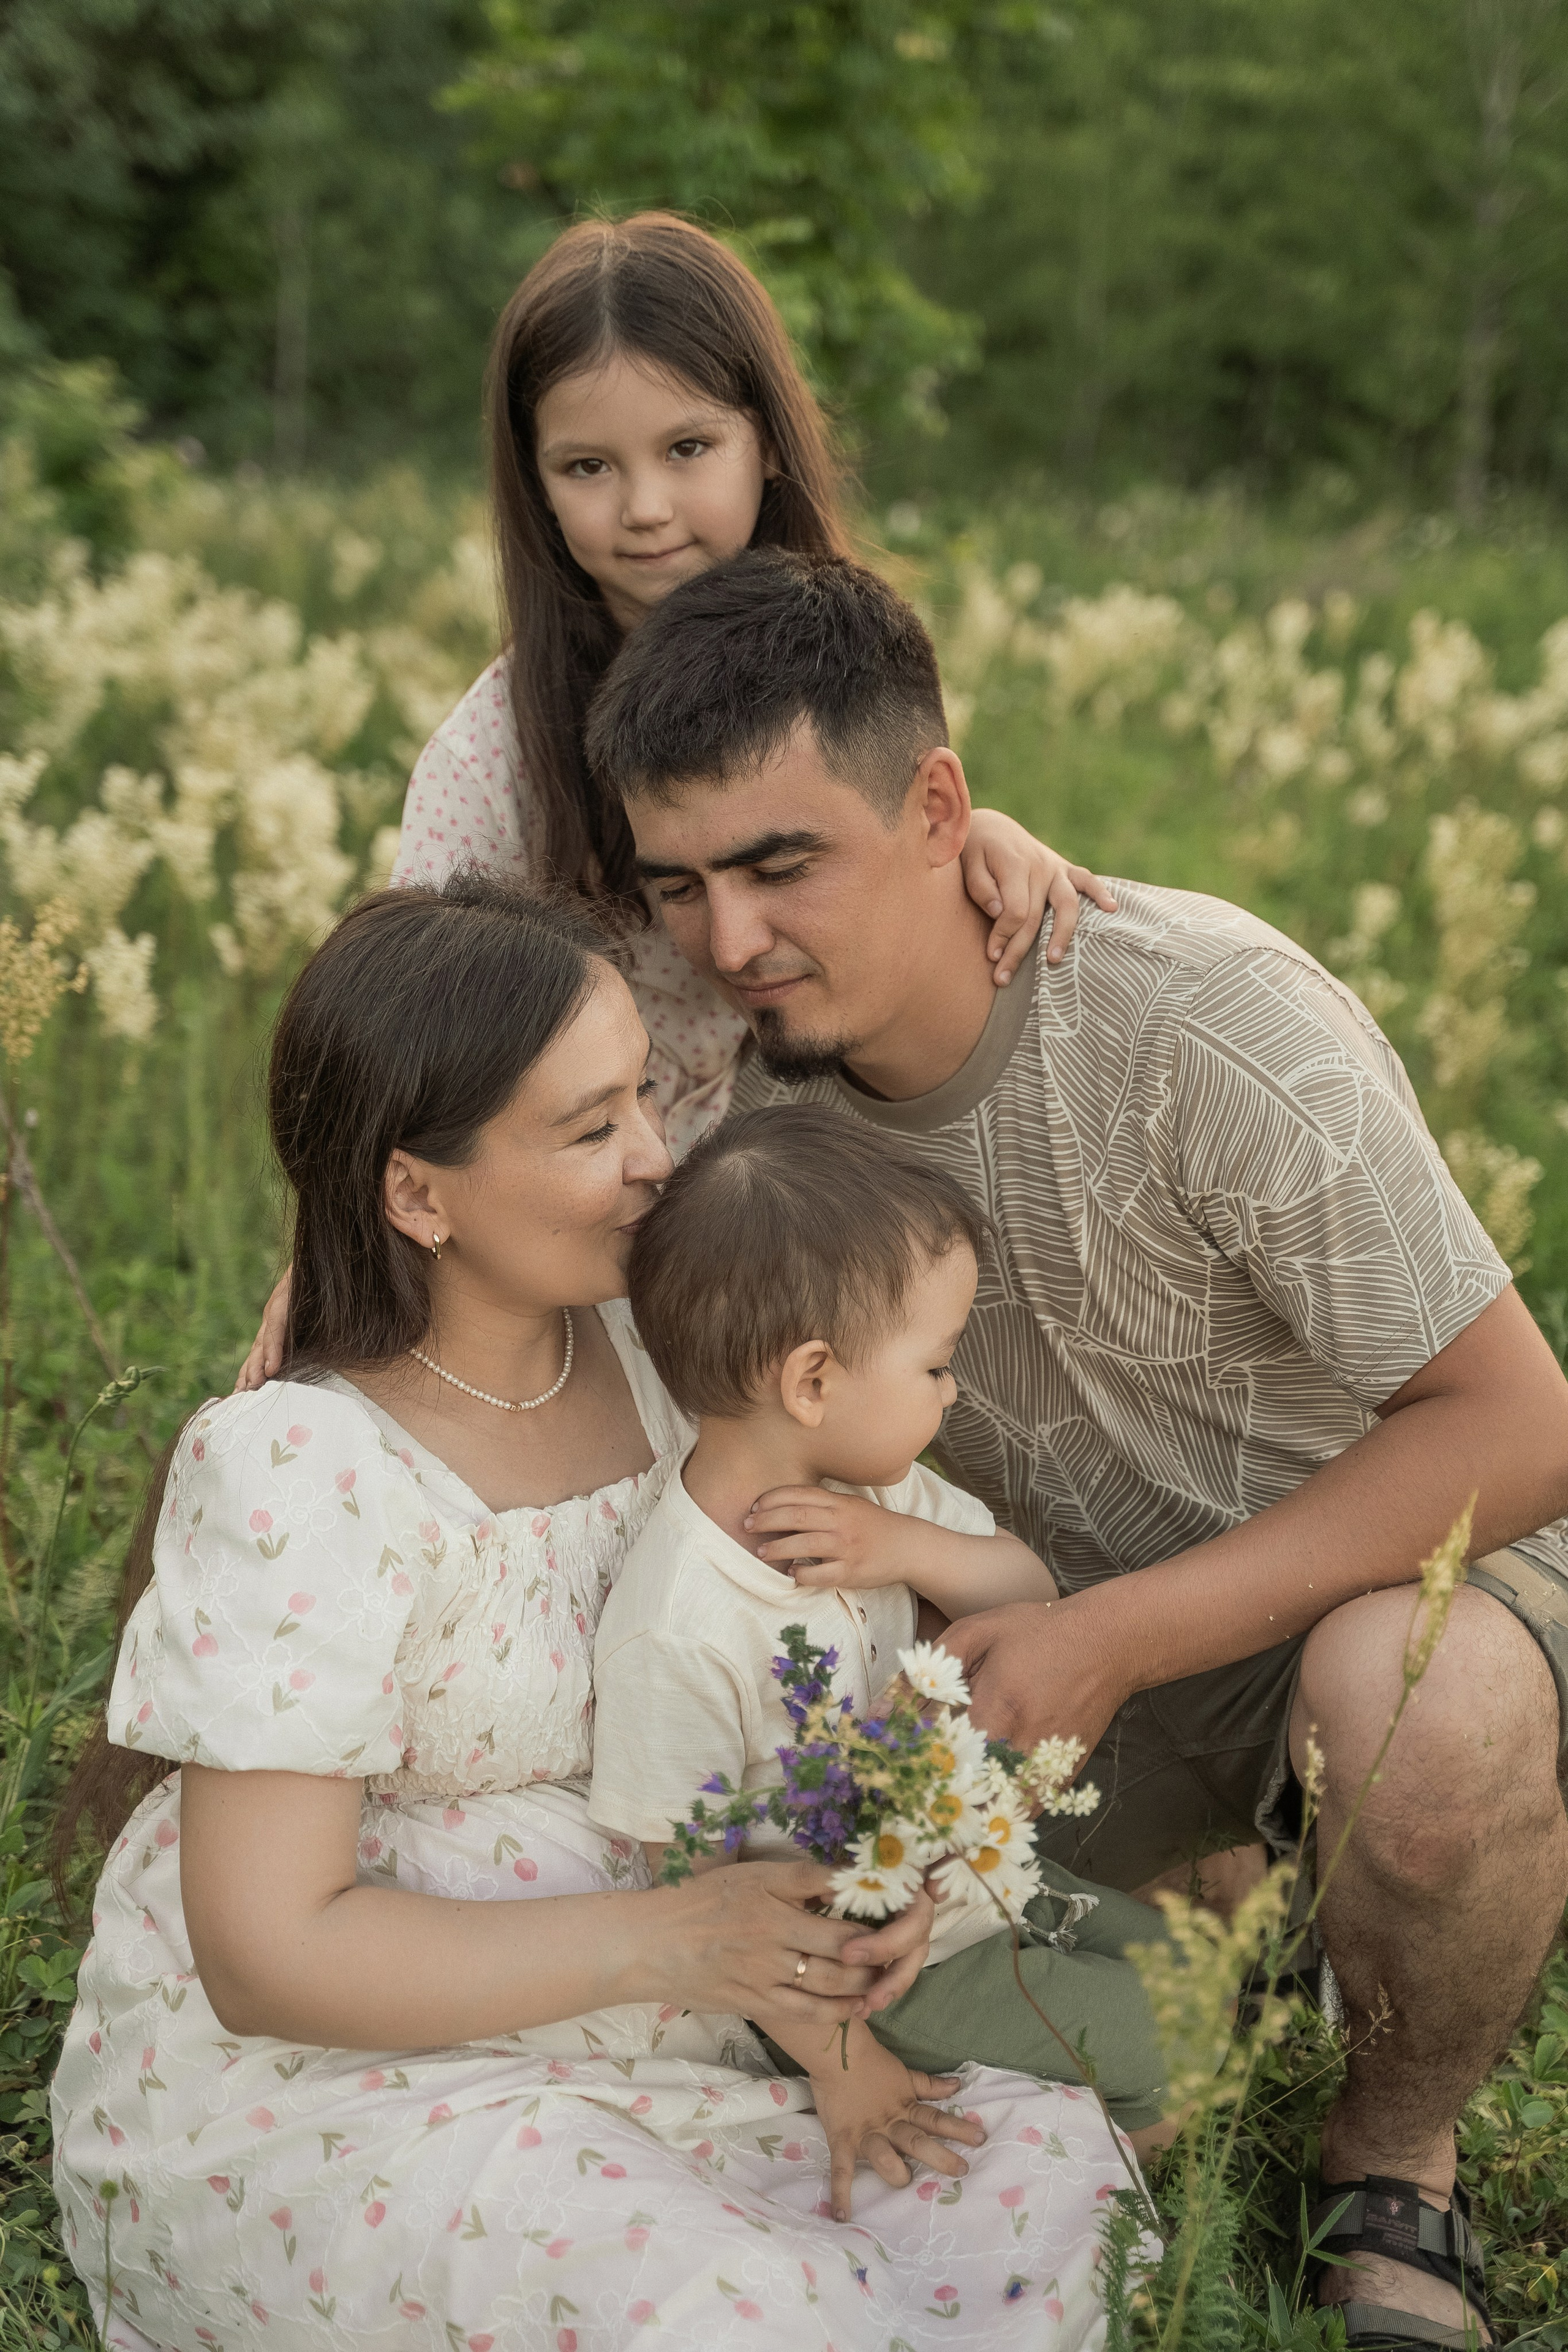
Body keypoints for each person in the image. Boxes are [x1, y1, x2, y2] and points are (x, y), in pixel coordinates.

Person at [585, 545, 1568, 2352]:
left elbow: (1523, 1423)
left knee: (1421, 1721)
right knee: (906, 1992)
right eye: (684, 886)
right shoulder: (737, 1089)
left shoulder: (1201, 1015)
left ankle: (1394, 2169)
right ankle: (1237, 1917)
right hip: (1019, 1656)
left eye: (782, 863)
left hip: (1336, 1573)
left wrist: (1118, 1638)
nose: (729, 940)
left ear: (942, 808)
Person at [52, 873, 1153, 2352]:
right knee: (726, 2314)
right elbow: (269, 1956)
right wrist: (679, 1943)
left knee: (1029, 2184)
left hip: (711, 2002)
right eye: (589, 1129)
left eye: (643, 1096)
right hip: (359, 2080)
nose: (653, 1159)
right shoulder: (301, 1466)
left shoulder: (669, 1353)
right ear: (416, 1194)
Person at [236, 211, 1110, 1391]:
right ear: (535, 486)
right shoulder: (497, 751)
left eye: (688, 448)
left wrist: (987, 834)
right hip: (595, 1209)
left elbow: (875, 833)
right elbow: (410, 1028)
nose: (645, 507)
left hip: (812, 1186)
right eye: (589, 468)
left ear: (766, 444)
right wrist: (333, 1248)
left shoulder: (837, 654)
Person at [590, 1103, 1175, 2199]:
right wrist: (846, 2067)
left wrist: (897, 1544)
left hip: (971, 1872)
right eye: (937, 1366)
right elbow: (702, 1911)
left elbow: (1029, 1598)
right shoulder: (679, 1627)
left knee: (1183, 1964)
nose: (952, 1394)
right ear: (813, 1382)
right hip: (859, 1976)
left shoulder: (874, 1491)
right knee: (1180, 2038)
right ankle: (1103, 2157)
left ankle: (1127, 2098)